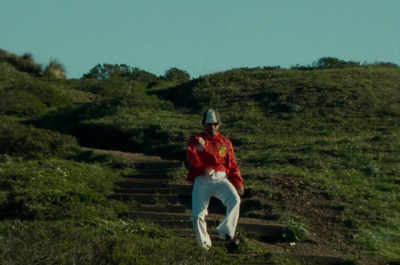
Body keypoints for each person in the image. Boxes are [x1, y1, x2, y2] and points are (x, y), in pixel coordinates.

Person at [186, 109, 244, 251]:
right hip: (202, 179)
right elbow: (192, 157)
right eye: (208, 124)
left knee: (235, 200)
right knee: (197, 216)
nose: (211, 127)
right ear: (203, 124)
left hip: (221, 178)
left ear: (219, 124)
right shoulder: (195, 139)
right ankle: (205, 248)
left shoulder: (226, 142)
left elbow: (232, 164)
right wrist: (202, 167)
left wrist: (238, 183)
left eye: (214, 124)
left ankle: (227, 233)